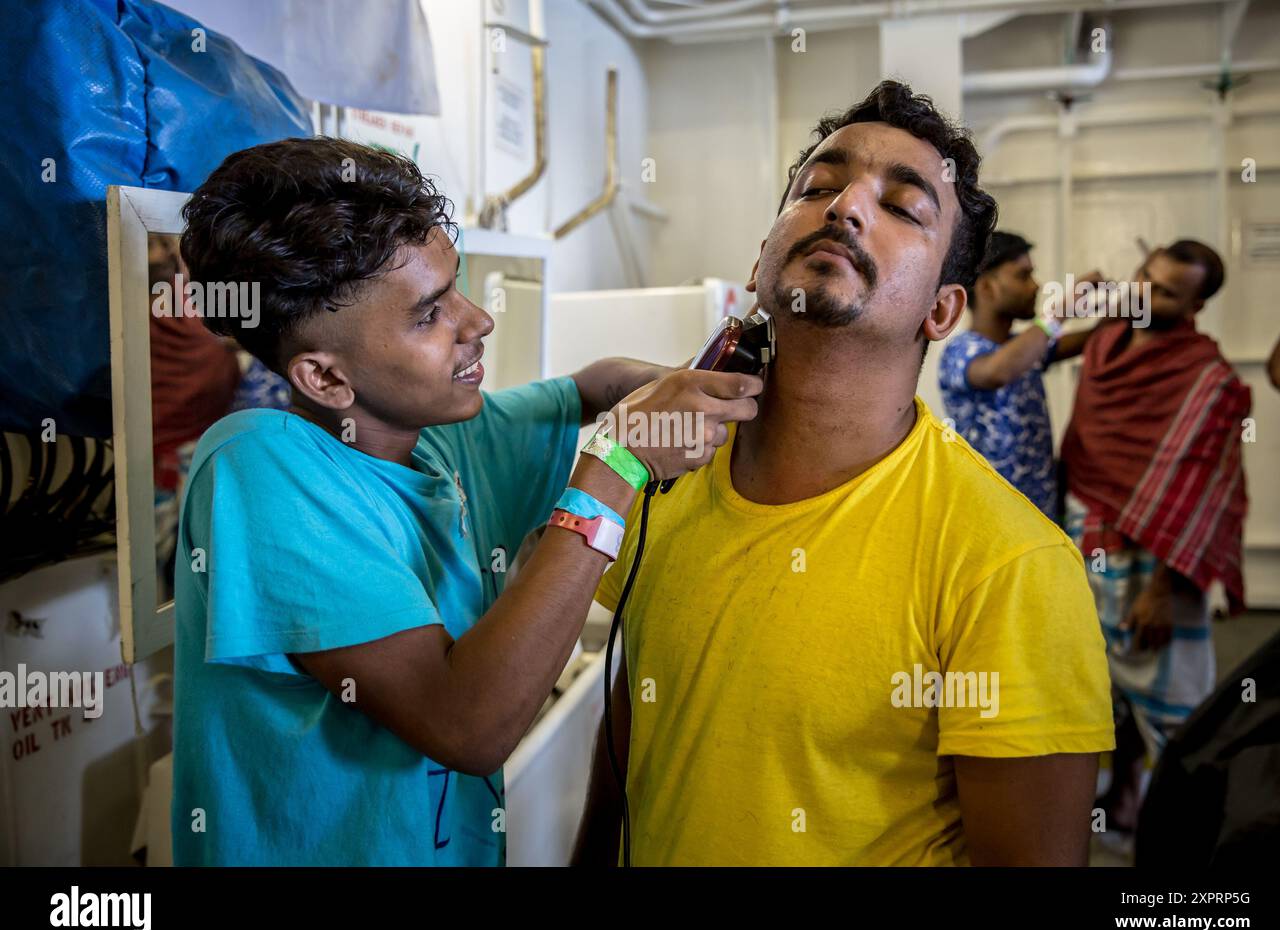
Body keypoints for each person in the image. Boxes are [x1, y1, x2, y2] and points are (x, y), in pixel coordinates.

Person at [169, 138, 761, 865]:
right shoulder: (258, 466)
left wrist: (702, 386)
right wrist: (619, 463)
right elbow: (467, 726)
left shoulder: (440, 443)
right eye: (428, 315)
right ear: (325, 380)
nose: (476, 320)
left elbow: (594, 386)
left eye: (456, 286)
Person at [573, 81, 1114, 867]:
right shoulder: (667, 480)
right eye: (818, 187)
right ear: (761, 260)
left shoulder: (1011, 566)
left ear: (941, 310)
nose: (845, 207)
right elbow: (641, 714)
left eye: (903, 206)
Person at [1059, 240, 1250, 836]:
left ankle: (1185, 842)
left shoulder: (1207, 377)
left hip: (1155, 570)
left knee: (1173, 708)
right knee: (1100, 693)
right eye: (1144, 276)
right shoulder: (1108, 337)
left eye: (1165, 291)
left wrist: (1163, 592)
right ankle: (1123, 801)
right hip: (1087, 543)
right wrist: (1062, 307)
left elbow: (1201, 496)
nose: (1144, 291)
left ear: (1196, 303)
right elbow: (1024, 355)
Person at [938, 231, 1101, 515]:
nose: (1035, 286)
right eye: (1023, 276)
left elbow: (1094, 338)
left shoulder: (1023, 347)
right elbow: (999, 371)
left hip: (1041, 515)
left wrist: (1129, 306)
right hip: (991, 519)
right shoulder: (961, 351)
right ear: (987, 288)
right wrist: (1061, 311)